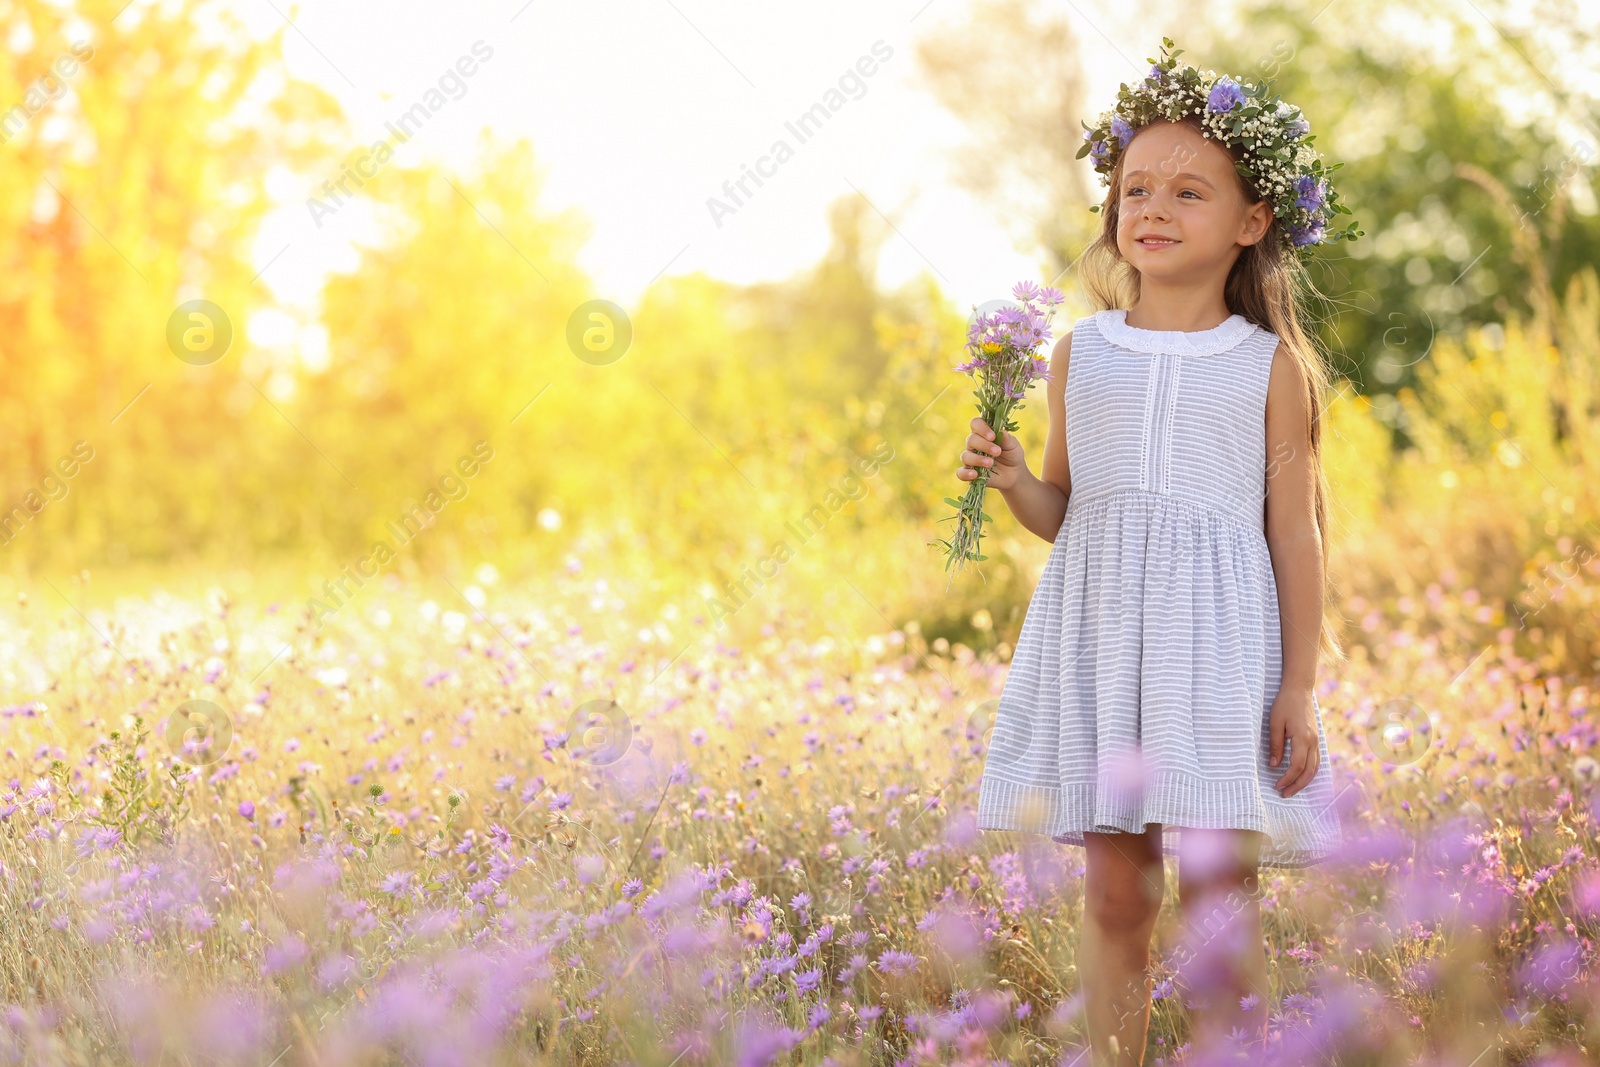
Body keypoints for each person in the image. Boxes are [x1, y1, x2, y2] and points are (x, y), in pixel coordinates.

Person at [960, 39, 1361, 1066]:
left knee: (1222, 887)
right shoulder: (1077, 354)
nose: (1153, 208)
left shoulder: (1268, 367)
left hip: (1224, 655)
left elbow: (1293, 532)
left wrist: (1300, 685)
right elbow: (1069, 511)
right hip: (1105, 651)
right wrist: (1011, 482)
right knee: (1115, 887)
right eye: (1135, 188)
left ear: (1251, 221)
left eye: (1188, 191)